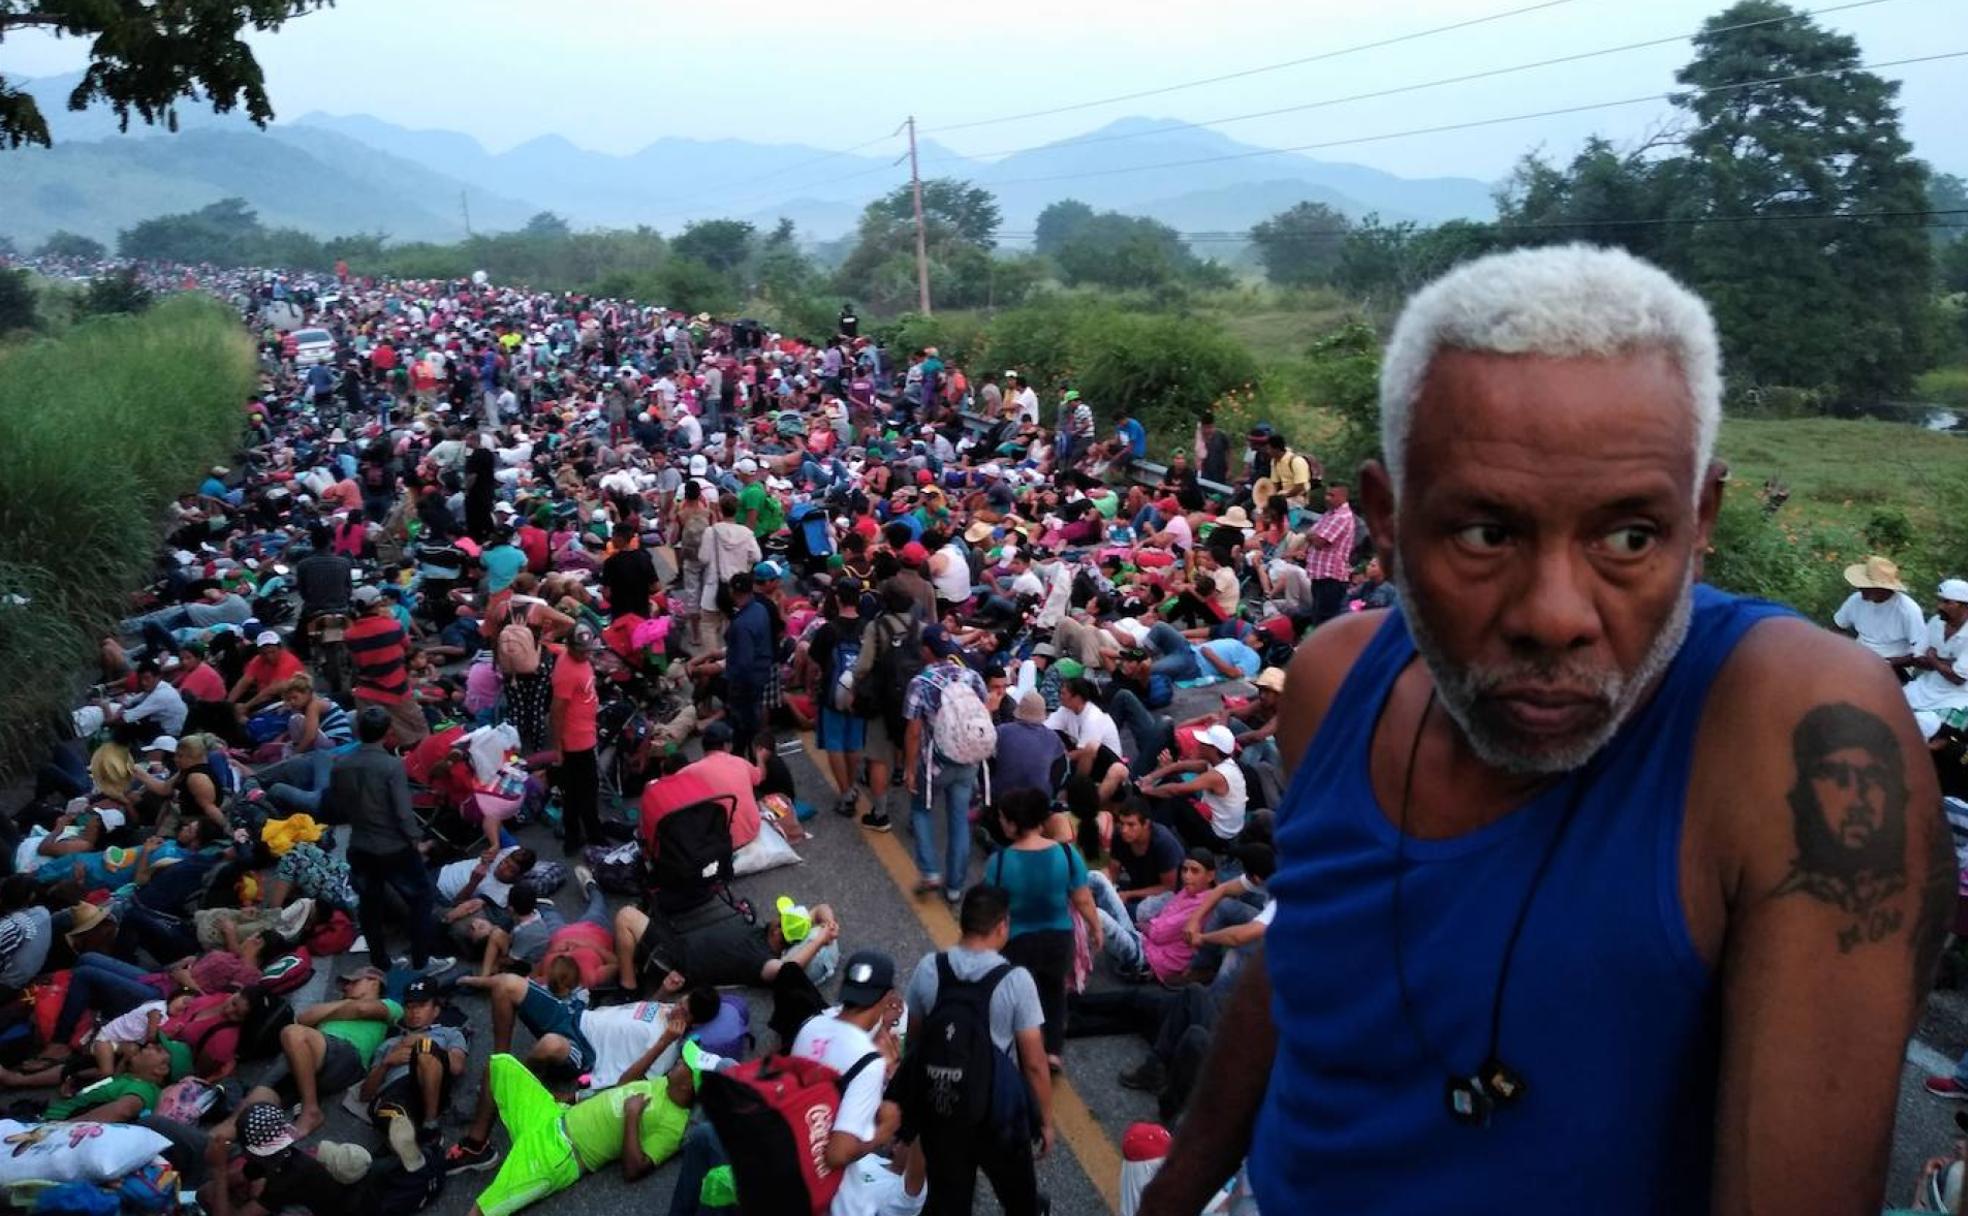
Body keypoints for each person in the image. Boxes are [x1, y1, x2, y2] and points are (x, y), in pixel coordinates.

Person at [1138, 246, 1944, 1215]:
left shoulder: (1785, 724)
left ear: (1703, 519)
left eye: (1629, 536)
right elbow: (1308, 960)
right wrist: (1175, 1189)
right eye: (1485, 532)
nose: (1555, 614)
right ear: (1386, 519)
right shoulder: (1334, 681)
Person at [439, 1017, 698, 1214]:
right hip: (553, 1115)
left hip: (559, 1155)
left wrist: (632, 1116)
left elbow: (634, 1169)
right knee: (500, 1065)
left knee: (482, 1209)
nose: (680, 1061)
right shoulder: (665, 1083)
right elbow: (624, 1084)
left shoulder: (674, 1125)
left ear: (689, 1086)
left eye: (685, 1065)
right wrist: (663, 1042)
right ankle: (477, 1146)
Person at [901, 886, 1052, 1216]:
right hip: (997, 1113)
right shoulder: (1016, 980)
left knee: (948, 1201)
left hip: (942, 1106)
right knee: (1019, 1197)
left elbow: (914, 1040)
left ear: (962, 923)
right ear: (1002, 926)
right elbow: (1035, 1063)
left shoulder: (930, 967)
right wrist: (1044, 1121)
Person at [983, 790, 1100, 1074]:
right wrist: (1096, 927)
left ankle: (1022, 1050)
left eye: (1002, 818)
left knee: (1020, 996)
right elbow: (1082, 898)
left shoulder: (998, 863)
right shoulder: (1065, 853)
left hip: (1016, 941)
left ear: (1012, 823)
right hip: (1059, 938)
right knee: (1054, 992)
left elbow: (989, 908)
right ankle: (1052, 1052)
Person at [788, 949, 904, 1214]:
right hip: (816, 1190)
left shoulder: (811, 1024)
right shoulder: (869, 1063)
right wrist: (882, 1133)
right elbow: (838, 1154)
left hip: (783, 1153)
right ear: (887, 997)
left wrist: (879, 1026)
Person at [335, 705, 446, 973]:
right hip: (393, 846)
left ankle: (380, 963)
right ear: (387, 732)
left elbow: (338, 806)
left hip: (360, 844)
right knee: (421, 899)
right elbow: (403, 812)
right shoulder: (390, 765)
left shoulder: (341, 765)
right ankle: (421, 961)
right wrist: (415, 840)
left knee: (370, 907)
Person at [902, 640, 990, 904]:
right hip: (968, 762)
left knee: (921, 810)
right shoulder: (972, 676)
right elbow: (982, 716)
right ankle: (954, 887)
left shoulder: (921, 683)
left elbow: (914, 731)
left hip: (935, 764)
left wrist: (909, 768)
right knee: (959, 819)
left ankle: (929, 871)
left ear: (927, 651)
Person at [1087, 848, 1217, 984]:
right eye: (1185, 870)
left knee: (1097, 916)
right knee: (1097, 878)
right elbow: (1161, 922)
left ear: (1210, 876)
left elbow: (1158, 933)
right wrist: (1147, 927)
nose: (1187, 876)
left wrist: (1147, 927)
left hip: (1147, 962)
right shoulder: (1187, 891)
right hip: (1142, 940)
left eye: (1194, 871)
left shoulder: (1203, 905)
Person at [358, 977, 468, 1135]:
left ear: (436, 1010)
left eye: (422, 1006)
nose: (414, 1012)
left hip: (431, 1087)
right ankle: (415, 1139)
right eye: (409, 1007)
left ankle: (430, 1124)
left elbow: (457, 1067)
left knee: (425, 1048)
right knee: (391, 1116)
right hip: (396, 1093)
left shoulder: (450, 1033)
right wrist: (387, 1064)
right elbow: (365, 1095)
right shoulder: (390, 1044)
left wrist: (424, 1042)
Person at [1137, 724, 1247, 849]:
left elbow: (1176, 790)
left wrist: (1147, 790)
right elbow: (1178, 766)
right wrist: (1149, 778)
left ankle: (1149, 840)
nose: (1198, 744)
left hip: (1220, 838)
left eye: (1203, 743)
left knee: (1174, 799)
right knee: (1172, 780)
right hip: (1216, 821)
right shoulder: (1217, 763)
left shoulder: (1217, 775)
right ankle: (1143, 814)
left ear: (1214, 749)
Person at [345, 585, 428, 744]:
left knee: (377, 738)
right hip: (397, 689)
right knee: (418, 731)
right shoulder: (393, 626)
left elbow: (355, 661)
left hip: (367, 692)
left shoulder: (350, 635)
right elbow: (407, 647)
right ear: (378, 604)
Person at [548, 624, 603, 855]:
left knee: (578, 789)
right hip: (576, 740)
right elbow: (557, 712)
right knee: (584, 790)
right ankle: (589, 835)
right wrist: (558, 746)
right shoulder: (567, 671)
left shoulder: (578, 659)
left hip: (586, 731)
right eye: (582, 650)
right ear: (570, 647)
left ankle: (579, 834)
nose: (586, 654)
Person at [1833, 555, 1929, 675]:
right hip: (1859, 656)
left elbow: (1921, 649)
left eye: (1867, 586)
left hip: (1894, 665)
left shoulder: (1908, 610)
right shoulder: (1856, 600)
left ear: (1883, 589)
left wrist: (1890, 662)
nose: (1861, 588)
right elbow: (1839, 626)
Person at [1904, 578, 1968, 740]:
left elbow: (1958, 678)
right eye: (1940, 601)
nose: (1940, 607)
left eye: (1947, 602)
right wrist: (1946, 664)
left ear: (1964, 606)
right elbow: (1917, 657)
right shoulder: (1935, 622)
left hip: (1957, 695)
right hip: (1926, 686)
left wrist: (1933, 658)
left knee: (1927, 730)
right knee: (1893, 707)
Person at [723, 571, 772, 755]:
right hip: (761, 675)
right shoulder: (760, 610)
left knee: (743, 726)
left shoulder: (741, 624)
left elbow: (744, 662)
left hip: (745, 683)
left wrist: (734, 683)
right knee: (754, 720)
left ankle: (744, 761)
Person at [1303, 483, 1356, 625]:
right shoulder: (1329, 514)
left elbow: (1320, 541)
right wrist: (1312, 536)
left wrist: (1312, 536)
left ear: (1342, 497)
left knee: (1325, 620)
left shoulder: (1342, 517)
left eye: (1331, 495)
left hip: (1332, 578)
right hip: (1320, 575)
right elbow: (1310, 534)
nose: (1327, 498)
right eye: (1327, 494)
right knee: (1317, 616)